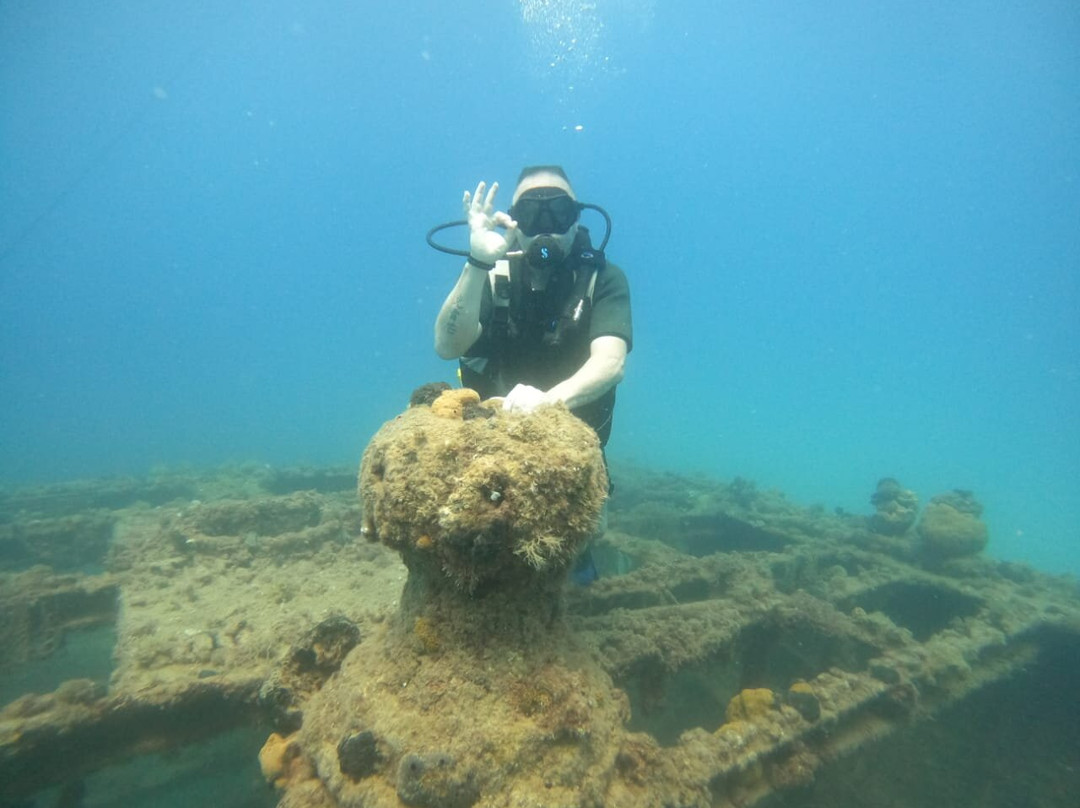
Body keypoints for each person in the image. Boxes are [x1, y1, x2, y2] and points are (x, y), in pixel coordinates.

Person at [433, 165, 633, 582]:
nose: (547, 227)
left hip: (572, 446)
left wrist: (546, 402)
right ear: (514, 221)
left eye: (558, 212)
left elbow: (611, 362)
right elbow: (447, 345)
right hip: (487, 439)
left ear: (577, 218)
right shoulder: (492, 272)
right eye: (531, 213)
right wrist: (476, 262)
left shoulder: (602, 279)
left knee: (574, 556)